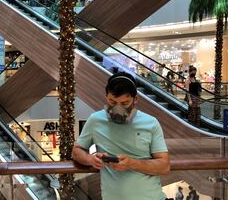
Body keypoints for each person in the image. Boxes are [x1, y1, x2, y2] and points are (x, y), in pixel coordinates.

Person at [72, 72, 170, 200]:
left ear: (136, 99)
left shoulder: (151, 123)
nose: (118, 108)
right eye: (112, 102)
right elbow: (76, 151)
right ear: (106, 96)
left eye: (124, 103)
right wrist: (90, 159)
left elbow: (164, 166)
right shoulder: (95, 120)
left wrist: (132, 163)